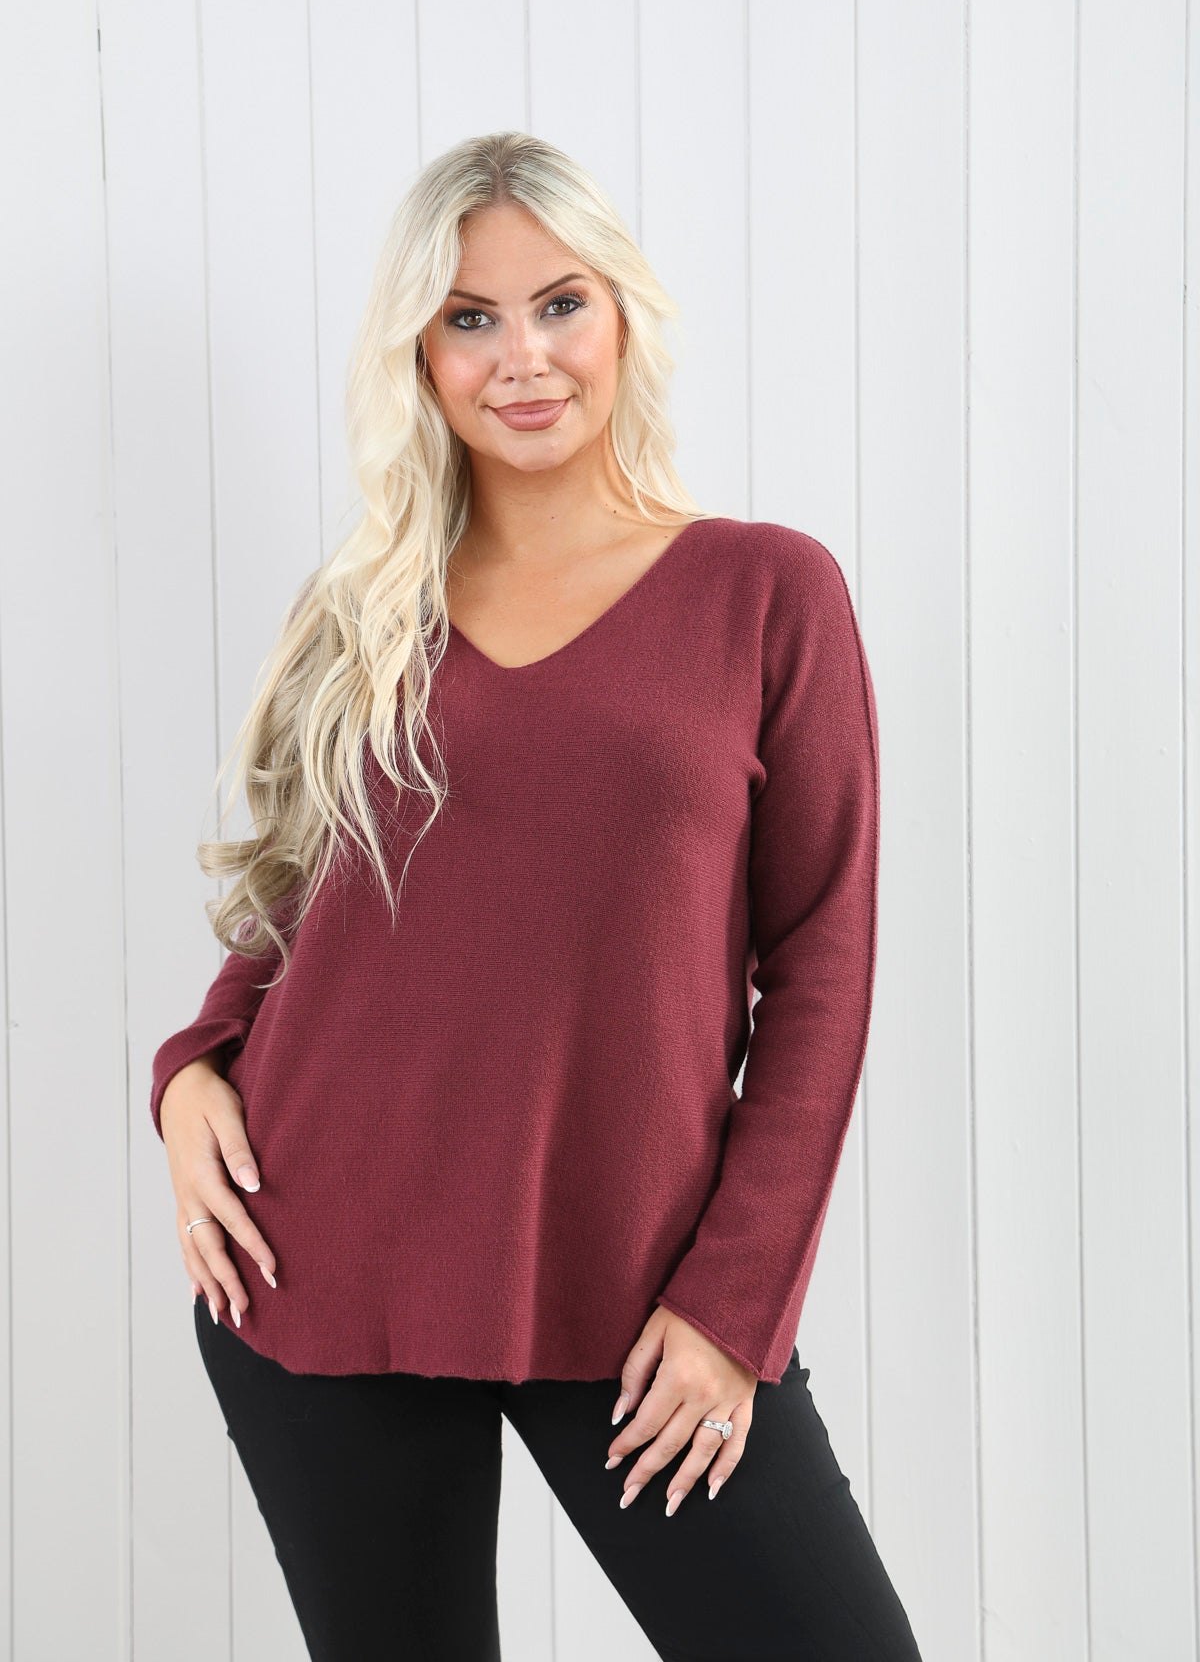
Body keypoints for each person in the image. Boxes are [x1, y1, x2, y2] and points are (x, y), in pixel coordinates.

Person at [152, 130, 923, 1661]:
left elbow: (822, 971)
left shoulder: (766, 593)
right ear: (419, 357)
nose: (522, 356)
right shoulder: (363, 614)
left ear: (621, 313)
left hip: (638, 1285)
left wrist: (736, 1306)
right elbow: (306, 896)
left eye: (559, 303)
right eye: (469, 318)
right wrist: (191, 1071)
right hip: (322, 1256)